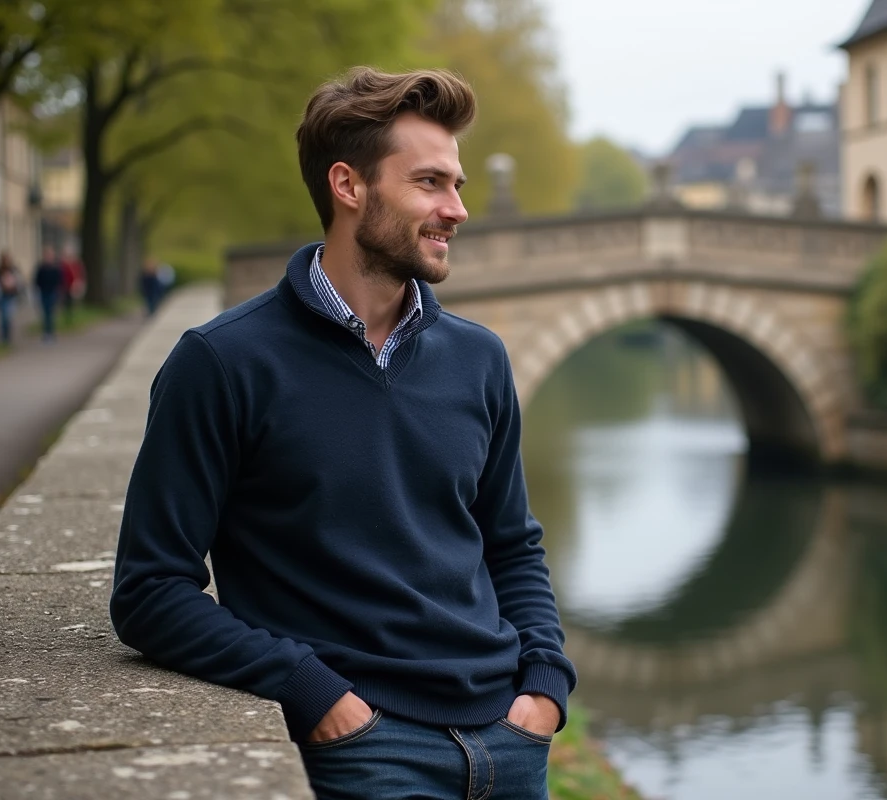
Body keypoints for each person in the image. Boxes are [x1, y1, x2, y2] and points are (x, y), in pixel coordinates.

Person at [110, 67, 575, 800]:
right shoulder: (224, 362)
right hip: (366, 748)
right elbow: (149, 592)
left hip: (511, 744)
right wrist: (310, 690)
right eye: (430, 183)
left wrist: (545, 687)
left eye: (457, 184)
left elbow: (511, 544)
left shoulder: (479, 358)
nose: (456, 208)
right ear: (349, 187)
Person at [33, 246, 63, 342]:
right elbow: (37, 281)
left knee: (51, 314)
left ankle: (51, 332)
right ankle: (46, 333)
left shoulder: (55, 268)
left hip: (52, 293)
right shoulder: (41, 268)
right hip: (43, 293)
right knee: (45, 314)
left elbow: (59, 280)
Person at [0, 251, 20, 344]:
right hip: (2, 295)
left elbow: (18, 281)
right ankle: (3, 337)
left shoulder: (13, 270)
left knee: (8, 317)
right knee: (3, 317)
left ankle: (7, 337)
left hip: (11, 296)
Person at [59, 245, 85, 325]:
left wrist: (78, 283)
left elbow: (79, 274)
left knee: (72, 303)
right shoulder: (62, 265)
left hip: (73, 287)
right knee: (65, 303)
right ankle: (66, 318)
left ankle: (72, 318)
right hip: (64, 287)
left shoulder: (76, 264)